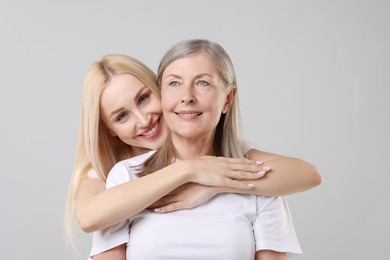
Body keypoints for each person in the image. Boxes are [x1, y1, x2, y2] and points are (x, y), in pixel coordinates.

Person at [89, 39, 314, 259]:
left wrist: (215, 185)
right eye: (174, 83)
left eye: (203, 83)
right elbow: (91, 221)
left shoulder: (256, 178)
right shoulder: (126, 176)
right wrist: (190, 171)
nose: (187, 97)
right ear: (163, 93)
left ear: (228, 99)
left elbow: (310, 174)